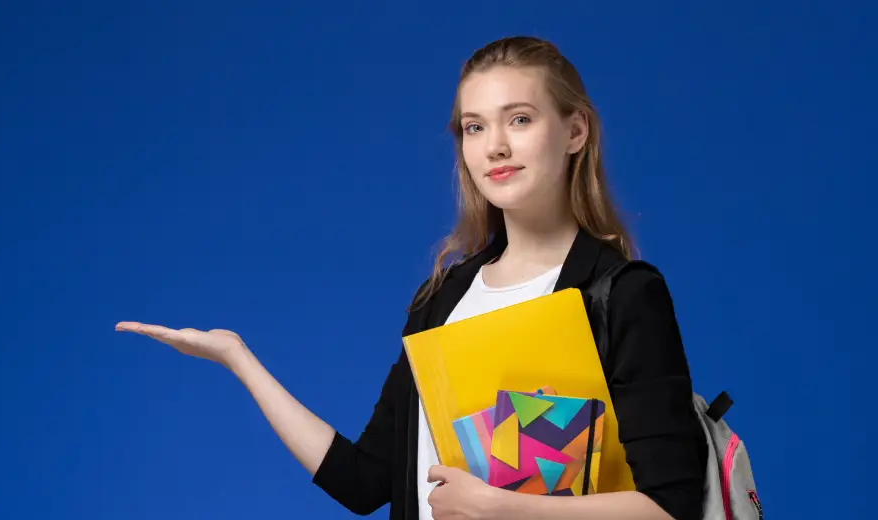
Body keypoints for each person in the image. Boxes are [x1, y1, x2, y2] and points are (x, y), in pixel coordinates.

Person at [116, 36, 707, 520]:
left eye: (519, 119)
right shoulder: (442, 300)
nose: (495, 146)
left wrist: (501, 509)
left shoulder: (622, 294)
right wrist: (238, 358)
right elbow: (364, 483)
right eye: (474, 128)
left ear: (575, 131)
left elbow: (669, 505)